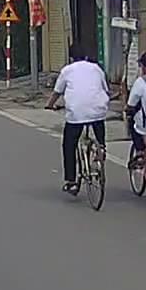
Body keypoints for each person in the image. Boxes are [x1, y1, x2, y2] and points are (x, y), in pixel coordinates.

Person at [45, 45, 110, 194]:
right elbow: (105, 89)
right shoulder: (96, 68)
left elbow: (57, 92)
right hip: (98, 110)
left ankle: (71, 181)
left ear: (71, 58)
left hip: (77, 113)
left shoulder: (67, 70)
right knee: (98, 119)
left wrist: (49, 105)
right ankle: (101, 147)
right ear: (85, 57)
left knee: (69, 145)